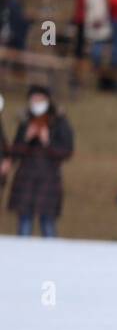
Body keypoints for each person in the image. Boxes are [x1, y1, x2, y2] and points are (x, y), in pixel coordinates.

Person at [6, 86, 74, 237]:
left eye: (39, 99)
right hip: (25, 179)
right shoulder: (25, 122)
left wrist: (47, 141)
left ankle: (52, 258)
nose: (36, 103)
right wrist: (26, 138)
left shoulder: (60, 123)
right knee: (24, 222)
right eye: (33, 99)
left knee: (48, 224)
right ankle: (22, 256)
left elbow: (67, 151)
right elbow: (15, 152)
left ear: (47, 100)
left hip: (48, 180)